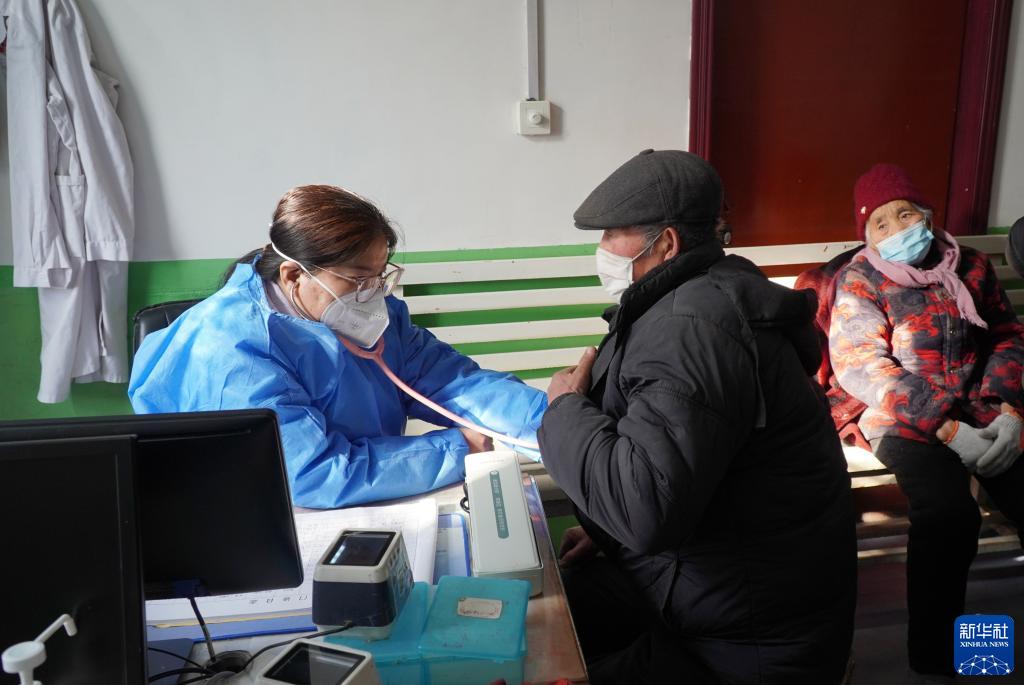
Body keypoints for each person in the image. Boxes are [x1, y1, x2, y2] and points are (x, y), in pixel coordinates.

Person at [537, 149, 857, 684]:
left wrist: (565, 410)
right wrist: (607, 532)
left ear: (666, 243)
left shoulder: (693, 327)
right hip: (717, 591)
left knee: (540, 655)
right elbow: (680, 461)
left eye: (612, 234)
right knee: (539, 616)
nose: (602, 249)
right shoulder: (698, 294)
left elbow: (644, 509)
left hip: (746, 644)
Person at [129, 185, 546, 508]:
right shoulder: (231, 349)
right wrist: (457, 449)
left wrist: (552, 423)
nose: (374, 294)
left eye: (380, 276)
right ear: (294, 275)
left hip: (362, 498)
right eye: (359, 279)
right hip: (263, 519)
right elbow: (312, 472)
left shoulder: (365, 315)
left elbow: (453, 381)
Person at [829, 163, 1024, 683]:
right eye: (880, 223)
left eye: (905, 214)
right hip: (899, 416)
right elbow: (861, 364)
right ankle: (936, 658)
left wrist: (1007, 408)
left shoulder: (971, 265)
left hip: (980, 404)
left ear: (928, 216)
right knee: (948, 514)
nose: (896, 229)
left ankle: (986, 650)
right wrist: (948, 428)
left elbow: (1006, 334)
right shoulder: (859, 279)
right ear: (866, 236)